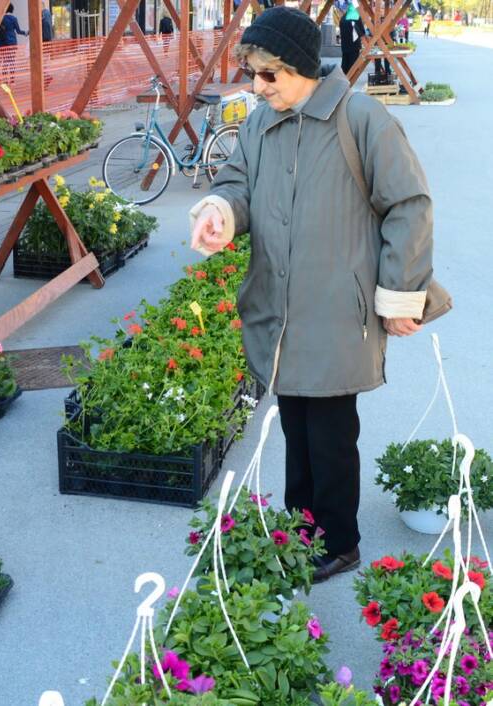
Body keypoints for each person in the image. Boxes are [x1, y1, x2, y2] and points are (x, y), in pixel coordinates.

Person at [189, 7, 435, 583]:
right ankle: (302, 530)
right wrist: (222, 212)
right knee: (296, 425)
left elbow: (409, 206)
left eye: (267, 75)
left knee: (328, 434)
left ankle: (339, 541)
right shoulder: (258, 124)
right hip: (279, 306)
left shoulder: (363, 119)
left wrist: (400, 296)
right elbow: (236, 182)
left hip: (336, 313)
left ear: (299, 68)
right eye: (253, 73)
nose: (257, 86)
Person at [339, 1, 364, 75]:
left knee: (345, 66)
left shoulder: (343, 18)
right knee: (352, 68)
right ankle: (348, 83)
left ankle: (344, 83)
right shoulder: (356, 17)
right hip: (354, 46)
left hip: (345, 46)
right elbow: (362, 32)